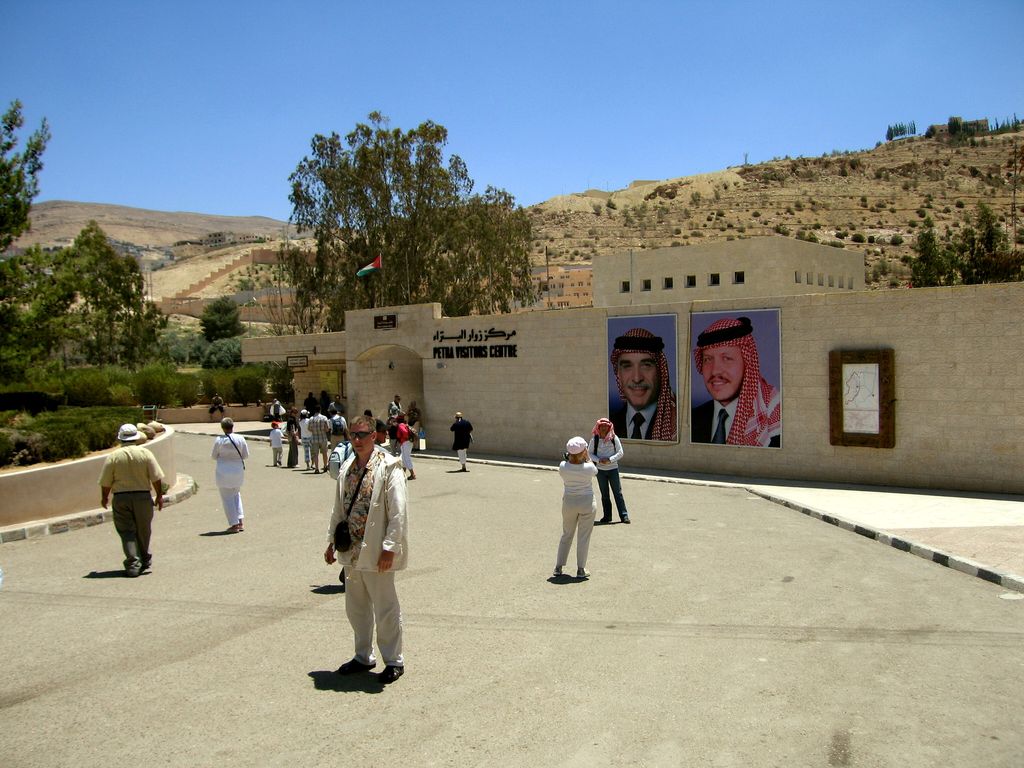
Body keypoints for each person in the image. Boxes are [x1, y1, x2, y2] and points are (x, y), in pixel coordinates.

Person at [323, 415, 408, 684]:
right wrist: (331, 542)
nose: (357, 440)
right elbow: (339, 507)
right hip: (351, 551)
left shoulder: (389, 467)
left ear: (374, 436)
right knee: (356, 607)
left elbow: (398, 511)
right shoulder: (347, 467)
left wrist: (390, 548)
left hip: (376, 550)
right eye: (353, 435)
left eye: (362, 435)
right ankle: (363, 656)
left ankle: (394, 660)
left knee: (385, 607)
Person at [691, 316, 781, 447]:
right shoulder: (693, 418)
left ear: (747, 362)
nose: (715, 371)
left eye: (727, 358)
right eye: (708, 359)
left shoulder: (775, 418)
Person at [98, 423, 165, 577]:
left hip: (121, 497)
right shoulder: (145, 453)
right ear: (136, 437)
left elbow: (106, 481)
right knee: (144, 529)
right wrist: (159, 495)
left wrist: (104, 497)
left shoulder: (113, 456)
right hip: (142, 497)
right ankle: (145, 558)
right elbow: (156, 477)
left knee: (126, 531)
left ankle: (133, 564)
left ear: (120, 438)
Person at [609, 328, 677, 441]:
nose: (637, 378)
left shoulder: (677, 424)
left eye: (646, 365)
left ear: (660, 371)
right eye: (627, 366)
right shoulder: (609, 425)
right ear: (618, 374)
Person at [553, 436, 597, 579]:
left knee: (566, 534)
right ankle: (581, 569)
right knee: (583, 537)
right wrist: (588, 457)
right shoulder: (589, 467)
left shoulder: (563, 466)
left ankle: (558, 567)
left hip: (569, 502)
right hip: (587, 502)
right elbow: (594, 470)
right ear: (584, 451)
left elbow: (568, 462)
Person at [211, 417, 249, 533]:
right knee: (236, 495)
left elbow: (213, 456)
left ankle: (234, 524)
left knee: (227, 498)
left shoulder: (219, 440)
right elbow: (245, 455)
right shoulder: (240, 438)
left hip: (223, 472)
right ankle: (240, 521)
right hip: (238, 471)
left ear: (223, 428)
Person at [590, 417, 629, 524]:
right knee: (605, 494)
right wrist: (598, 460)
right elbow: (589, 453)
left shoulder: (614, 438)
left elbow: (620, 452)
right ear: (598, 427)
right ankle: (607, 517)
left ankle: (624, 516)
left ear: (609, 427)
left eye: (606, 426)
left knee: (618, 493)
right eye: (601, 426)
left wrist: (610, 460)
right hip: (600, 471)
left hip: (613, 469)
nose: (603, 428)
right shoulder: (595, 439)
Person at [307, 405, 332, 474]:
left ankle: (317, 468)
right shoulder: (324, 418)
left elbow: (309, 428)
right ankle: (325, 466)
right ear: (320, 410)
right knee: (324, 453)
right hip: (323, 438)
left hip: (314, 438)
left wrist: (314, 431)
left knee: (315, 454)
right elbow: (327, 429)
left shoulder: (311, 419)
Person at [396, 414, 416, 480]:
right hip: (408, 442)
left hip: (405, 442)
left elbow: (404, 432)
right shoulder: (405, 424)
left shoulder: (400, 425)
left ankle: (412, 474)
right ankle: (403, 474)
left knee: (406, 458)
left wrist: (404, 438)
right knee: (404, 458)